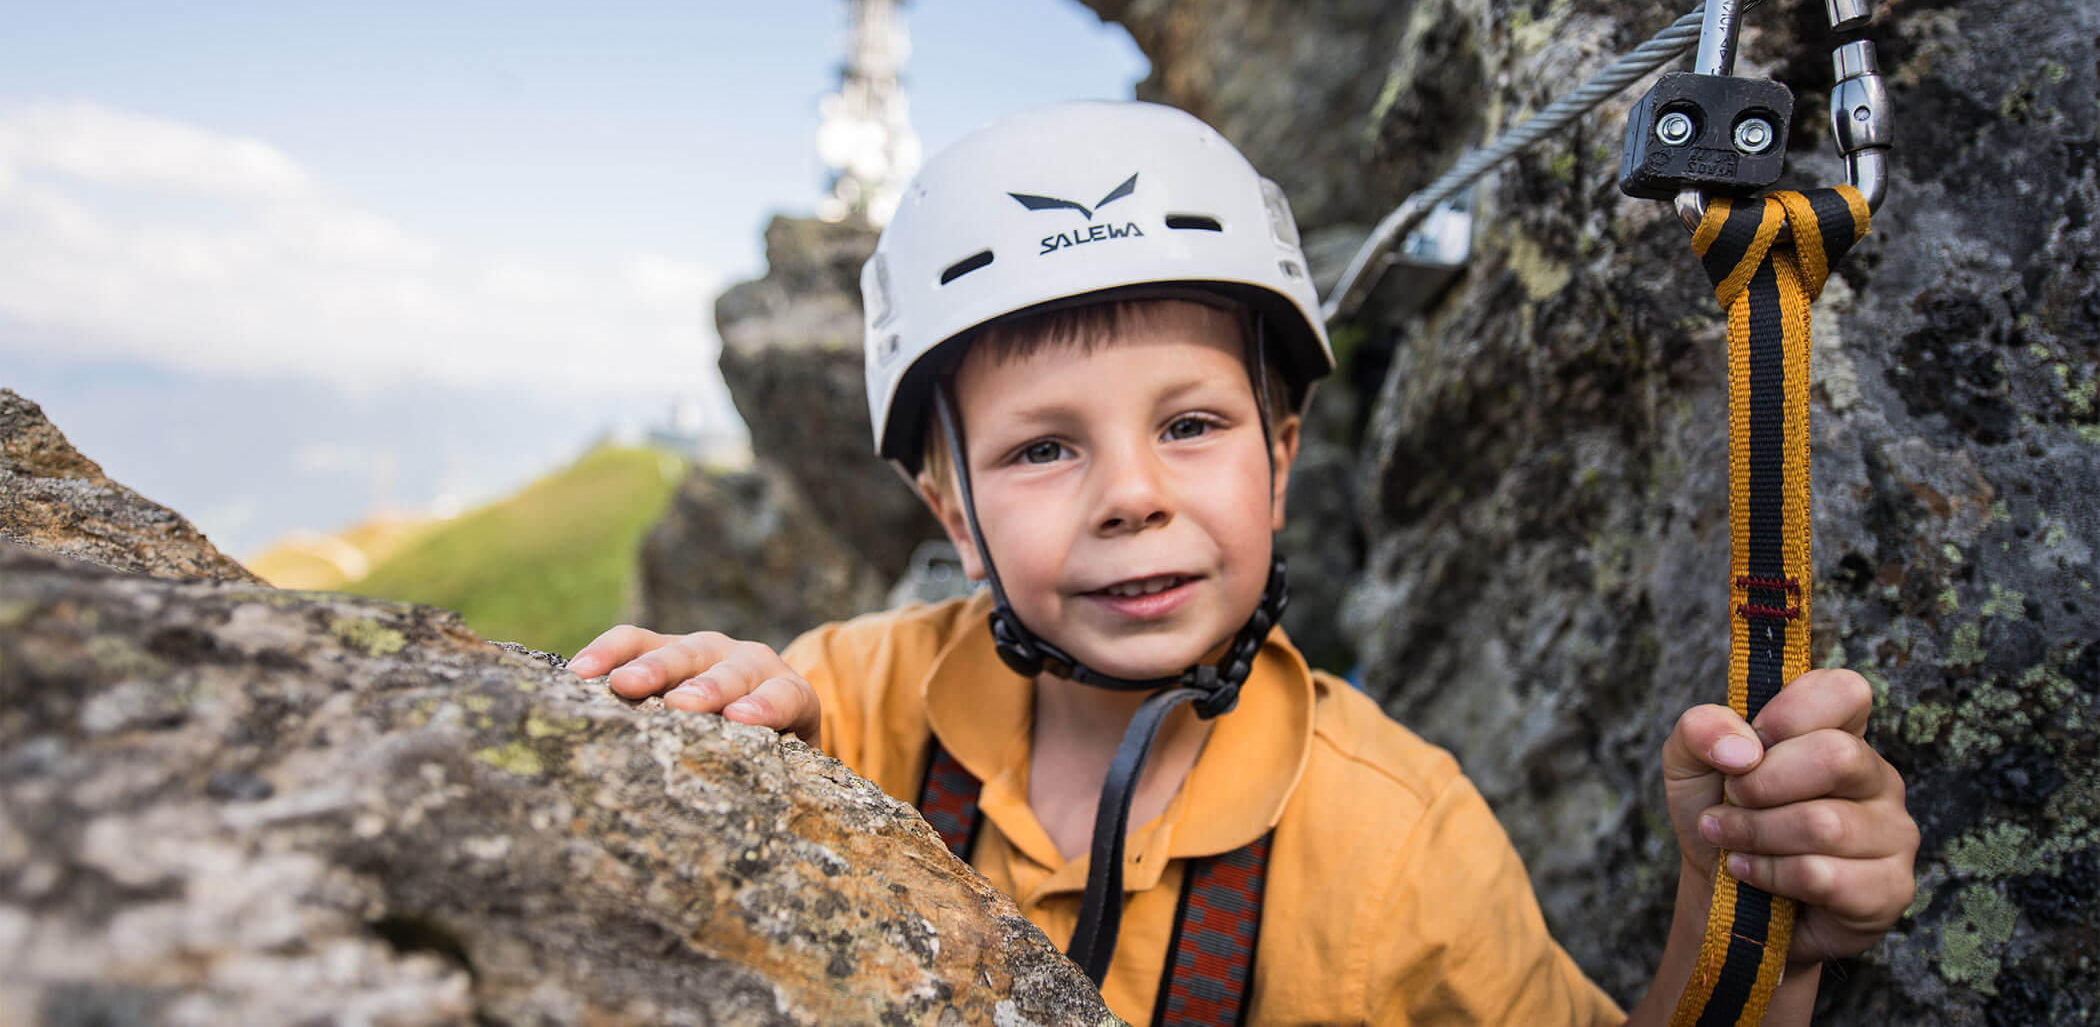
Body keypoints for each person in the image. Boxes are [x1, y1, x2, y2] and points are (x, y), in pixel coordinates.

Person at [570, 101, 1917, 1025]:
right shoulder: (851, 707)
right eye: (1044, 449)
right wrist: (717, 735)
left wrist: (1748, 912)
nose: (1133, 495)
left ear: (1280, 456)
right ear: (954, 511)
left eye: (1192, 425)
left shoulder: (1394, 836)